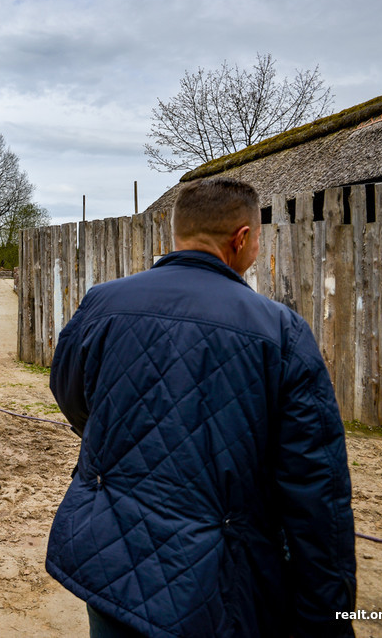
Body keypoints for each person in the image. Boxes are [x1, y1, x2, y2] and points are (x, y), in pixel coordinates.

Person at [46, 177, 356, 637]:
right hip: (218, 581)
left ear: (177, 234)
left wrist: (118, 444)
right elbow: (315, 488)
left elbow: (69, 394)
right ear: (243, 239)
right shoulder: (281, 332)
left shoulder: (103, 303)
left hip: (109, 558)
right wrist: (330, 619)